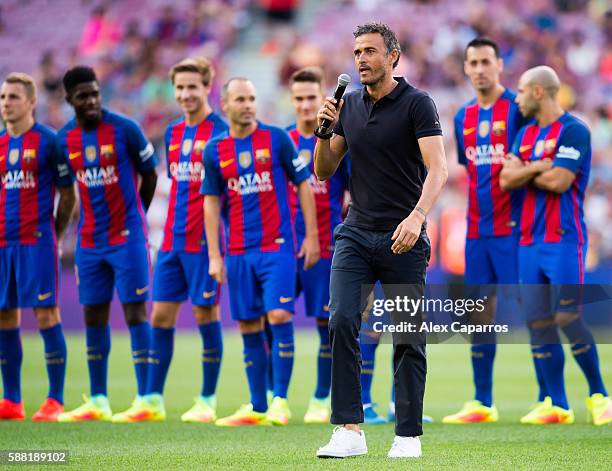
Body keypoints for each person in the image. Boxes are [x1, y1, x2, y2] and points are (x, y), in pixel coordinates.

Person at [314, 22, 447, 458]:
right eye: (356, 52)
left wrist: (418, 216)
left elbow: (439, 168)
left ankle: (407, 436)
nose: (361, 59)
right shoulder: (347, 105)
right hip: (354, 234)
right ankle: (349, 429)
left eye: (370, 51)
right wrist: (323, 132)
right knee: (341, 321)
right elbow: (323, 170)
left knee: (407, 334)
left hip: (404, 238)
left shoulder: (417, 104)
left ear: (393, 56)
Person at [109, 57, 229, 423]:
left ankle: (207, 400)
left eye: (192, 87)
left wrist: (218, 249)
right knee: (160, 316)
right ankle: (151, 399)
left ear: (206, 86)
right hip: (172, 242)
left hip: (204, 241)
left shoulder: (222, 132)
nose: (186, 94)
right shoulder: (174, 133)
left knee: (206, 314)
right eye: (179, 88)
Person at [202, 77, 319, 426]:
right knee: (249, 325)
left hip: (277, 248)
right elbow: (211, 204)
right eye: (240, 99)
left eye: (252, 98)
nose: (248, 104)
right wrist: (214, 254)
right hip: (237, 252)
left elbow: (304, 187)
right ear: (225, 104)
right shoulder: (214, 150)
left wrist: (310, 236)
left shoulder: (276, 138)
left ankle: (280, 401)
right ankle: (257, 406)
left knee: (280, 317)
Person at [500, 65, 612, 426]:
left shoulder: (574, 130)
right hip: (528, 241)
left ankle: (600, 397)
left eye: (519, 91)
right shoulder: (527, 133)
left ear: (537, 92)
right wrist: (537, 167)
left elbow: (561, 181)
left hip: (563, 239)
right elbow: (506, 178)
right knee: (537, 322)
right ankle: (556, 403)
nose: (515, 99)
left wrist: (526, 169)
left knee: (567, 316)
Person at [55, 66, 158, 422]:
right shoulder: (64, 139)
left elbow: (151, 175)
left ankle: (148, 399)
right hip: (89, 240)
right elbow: (67, 190)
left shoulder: (125, 128)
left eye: (96, 93)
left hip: (127, 236)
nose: (92, 100)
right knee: (93, 315)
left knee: (134, 312)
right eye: (83, 95)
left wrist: (136, 217)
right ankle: (98, 399)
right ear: (69, 100)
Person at [443, 37, 528, 424]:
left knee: (543, 312)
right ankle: (482, 401)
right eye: (472, 62)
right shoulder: (463, 117)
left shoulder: (519, 108)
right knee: (479, 314)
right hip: (478, 230)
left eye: (485, 61)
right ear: (465, 68)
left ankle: (558, 399)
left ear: (499, 64)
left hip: (518, 228)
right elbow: (471, 171)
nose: (479, 69)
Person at [0, 73, 76, 421]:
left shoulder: (49, 142)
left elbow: (68, 194)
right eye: (3, 97)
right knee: (4, 316)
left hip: (37, 241)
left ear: (31, 102)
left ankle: (55, 400)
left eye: (13, 97)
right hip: (3, 244)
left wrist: (55, 234)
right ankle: (12, 400)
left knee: (46, 314)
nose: (6, 103)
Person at [285, 66, 349, 424]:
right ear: (291, 101)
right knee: (272, 318)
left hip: (327, 244)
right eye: (299, 98)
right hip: (282, 245)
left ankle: (320, 397)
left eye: (312, 97)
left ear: (322, 96)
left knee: (327, 325)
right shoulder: (281, 139)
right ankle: (268, 397)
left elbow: (353, 186)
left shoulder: (338, 138)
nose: (306, 104)